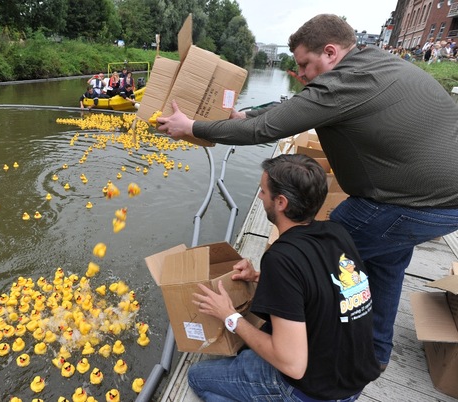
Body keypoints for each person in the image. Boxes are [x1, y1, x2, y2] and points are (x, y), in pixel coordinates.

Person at [157, 14, 458, 371]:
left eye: (304, 65)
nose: (299, 74)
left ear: (330, 52)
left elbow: (265, 130)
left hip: (411, 204)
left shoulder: (343, 83)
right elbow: (292, 109)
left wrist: (190, 126)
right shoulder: (372, 63)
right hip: (440, 200)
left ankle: (275, 348)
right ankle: (374, 355)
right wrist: (249, 115)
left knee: (300, 256)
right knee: (383, 265)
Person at [188, 154, 380, 401]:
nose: (259, 196)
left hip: (311, 391)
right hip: (351, 380)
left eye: (263, 191)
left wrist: (230, 316)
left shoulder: (281, 258)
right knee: (249, 353)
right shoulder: (336, 232)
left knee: (198, 377)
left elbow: (293, 365)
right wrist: (259, 277)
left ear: (280, 202)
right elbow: (322, 285)